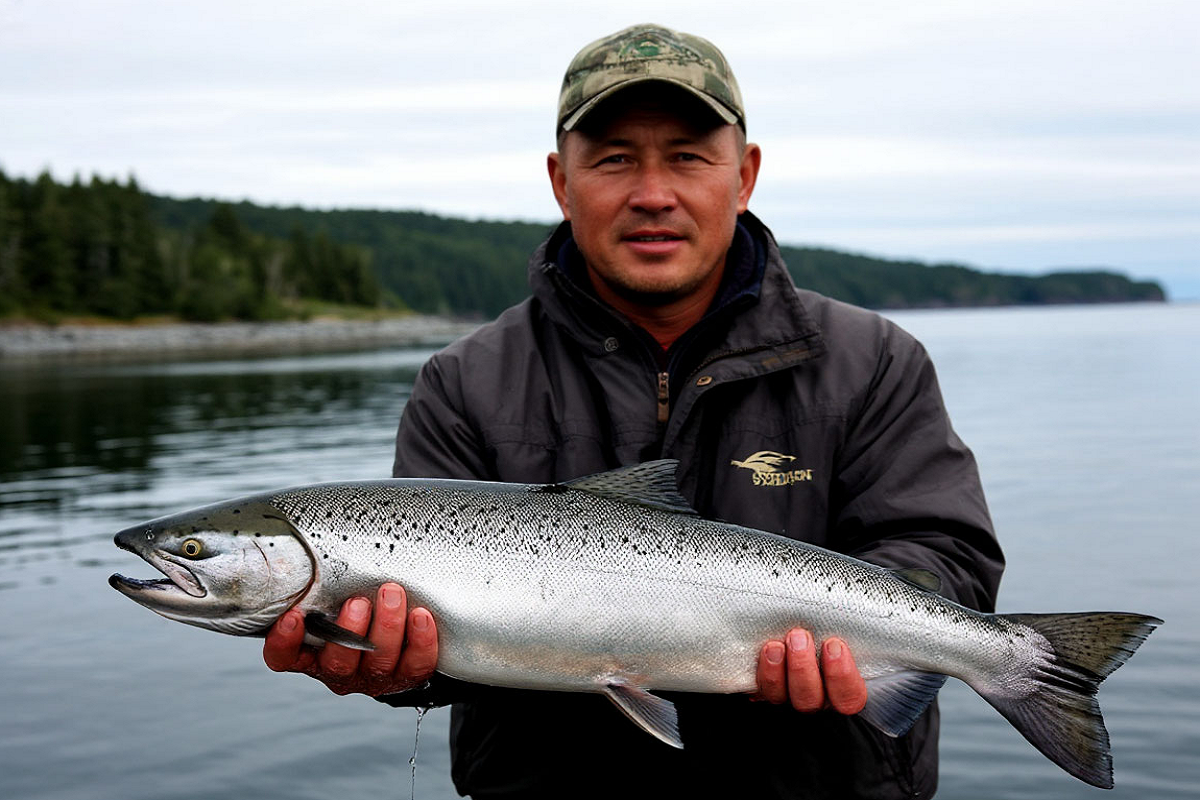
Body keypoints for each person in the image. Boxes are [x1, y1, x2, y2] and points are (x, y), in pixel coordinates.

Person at [264, 24, 1004, 799]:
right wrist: (388, 669)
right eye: (615, 158)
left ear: (743, 175)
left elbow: (947, 555)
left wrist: (870, 641)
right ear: (561, 180)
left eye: (687, 155)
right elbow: (435, 651)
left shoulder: (873, 359)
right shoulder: (464, 382)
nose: (653, 193)